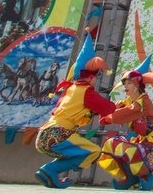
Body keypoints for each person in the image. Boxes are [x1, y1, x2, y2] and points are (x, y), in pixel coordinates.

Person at [34, 34, 117, 189]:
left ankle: (49, 174)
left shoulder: (70, 88)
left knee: (79, 152)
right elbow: (108, 108)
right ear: (91, 77)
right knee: (93, 151)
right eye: (95, 77)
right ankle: (50, 169)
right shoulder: (86, 91)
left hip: (45, 134)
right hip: (59, 134)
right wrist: (122, 107)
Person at [97, 56, 153, 190]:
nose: (125, 86)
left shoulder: (141, 102)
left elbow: (127, 113)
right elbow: (121, 109)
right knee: (111, 145)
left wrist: (108, 117)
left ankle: (144, 175)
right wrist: (108, 109)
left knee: (129, 150)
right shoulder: (131, 101)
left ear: (137, 85)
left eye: (129, 83)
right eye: (125, 83)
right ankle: (128, 176)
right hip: (141, 140)